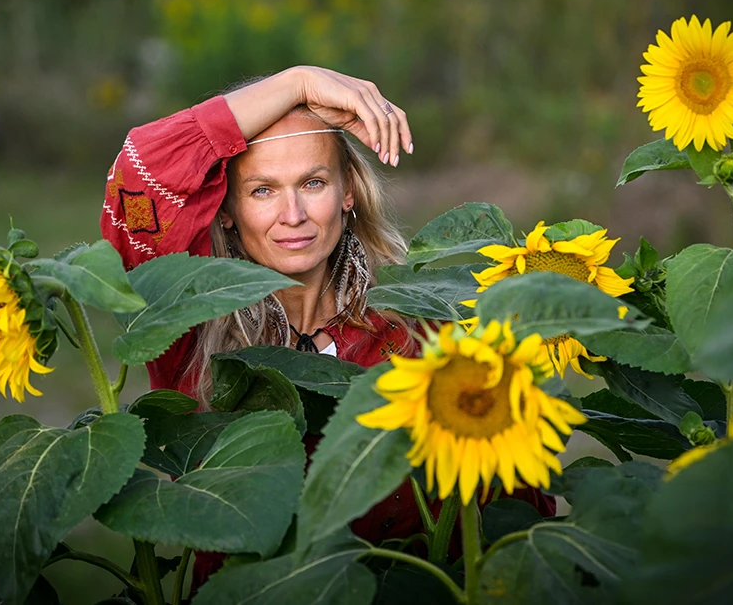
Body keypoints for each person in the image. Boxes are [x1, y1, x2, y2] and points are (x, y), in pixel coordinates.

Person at [101, 65, 555, 589]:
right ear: (225, 210)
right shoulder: (192, 321)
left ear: (348, 194)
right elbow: (142, 174)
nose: (292, 214)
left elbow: (509, 496)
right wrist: (297, 83)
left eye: (312, 183)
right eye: (262, 190)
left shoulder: (415, 326)